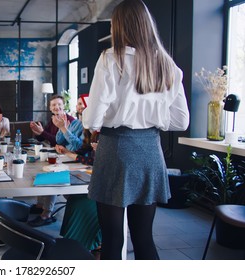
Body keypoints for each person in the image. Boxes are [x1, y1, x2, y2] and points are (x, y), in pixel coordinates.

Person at [82, 0, 189, 260]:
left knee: (112, 240)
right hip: (151, 151)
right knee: (143, 238)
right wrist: (153, 118)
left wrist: (97, 118)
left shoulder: (110, 59)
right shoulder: (168, 65)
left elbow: (92, 118)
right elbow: (181, 121)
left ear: (119, 27)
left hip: (116, 150)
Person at [28, 97, 84, 227]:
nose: (56, 107)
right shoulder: (63, 120)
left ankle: (46, 213)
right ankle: (41, 205)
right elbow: (57, 140)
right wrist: (40, 132)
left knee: (51, 175)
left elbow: (77, 146)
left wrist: (62, 128)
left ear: (63, 105)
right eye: (53, 105)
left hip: (74, 159)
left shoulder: (73, 121)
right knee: (44, 168)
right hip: (64, 155)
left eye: (59, 104)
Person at [59, 129, 101, 256]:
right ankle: (74, 243)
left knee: (79, 201)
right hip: (94, 179)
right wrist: (68, 152)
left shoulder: (109, 132)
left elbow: (93, 161)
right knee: (75, 198)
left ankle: (93, 243)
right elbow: (82, 151)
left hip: (106, 186)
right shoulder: (92, 132)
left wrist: (102, 151)